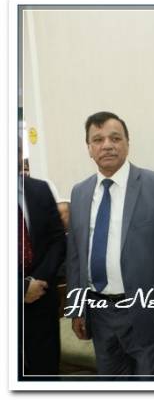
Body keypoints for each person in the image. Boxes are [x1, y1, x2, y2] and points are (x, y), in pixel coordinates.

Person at [65, 111, 154, 375]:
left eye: (115, 138)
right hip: (99, 312)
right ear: (89, 148)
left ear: (127, 143)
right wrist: (76, 308)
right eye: (98, 140)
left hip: (147, 312)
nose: (107, 145)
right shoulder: (79, 192)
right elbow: (75, 256)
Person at [19, 149, 67, 375]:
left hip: (42, 302)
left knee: (45, 375)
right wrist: (20, 288)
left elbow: (57, 240)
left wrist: (37, 281)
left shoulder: (39, 189)